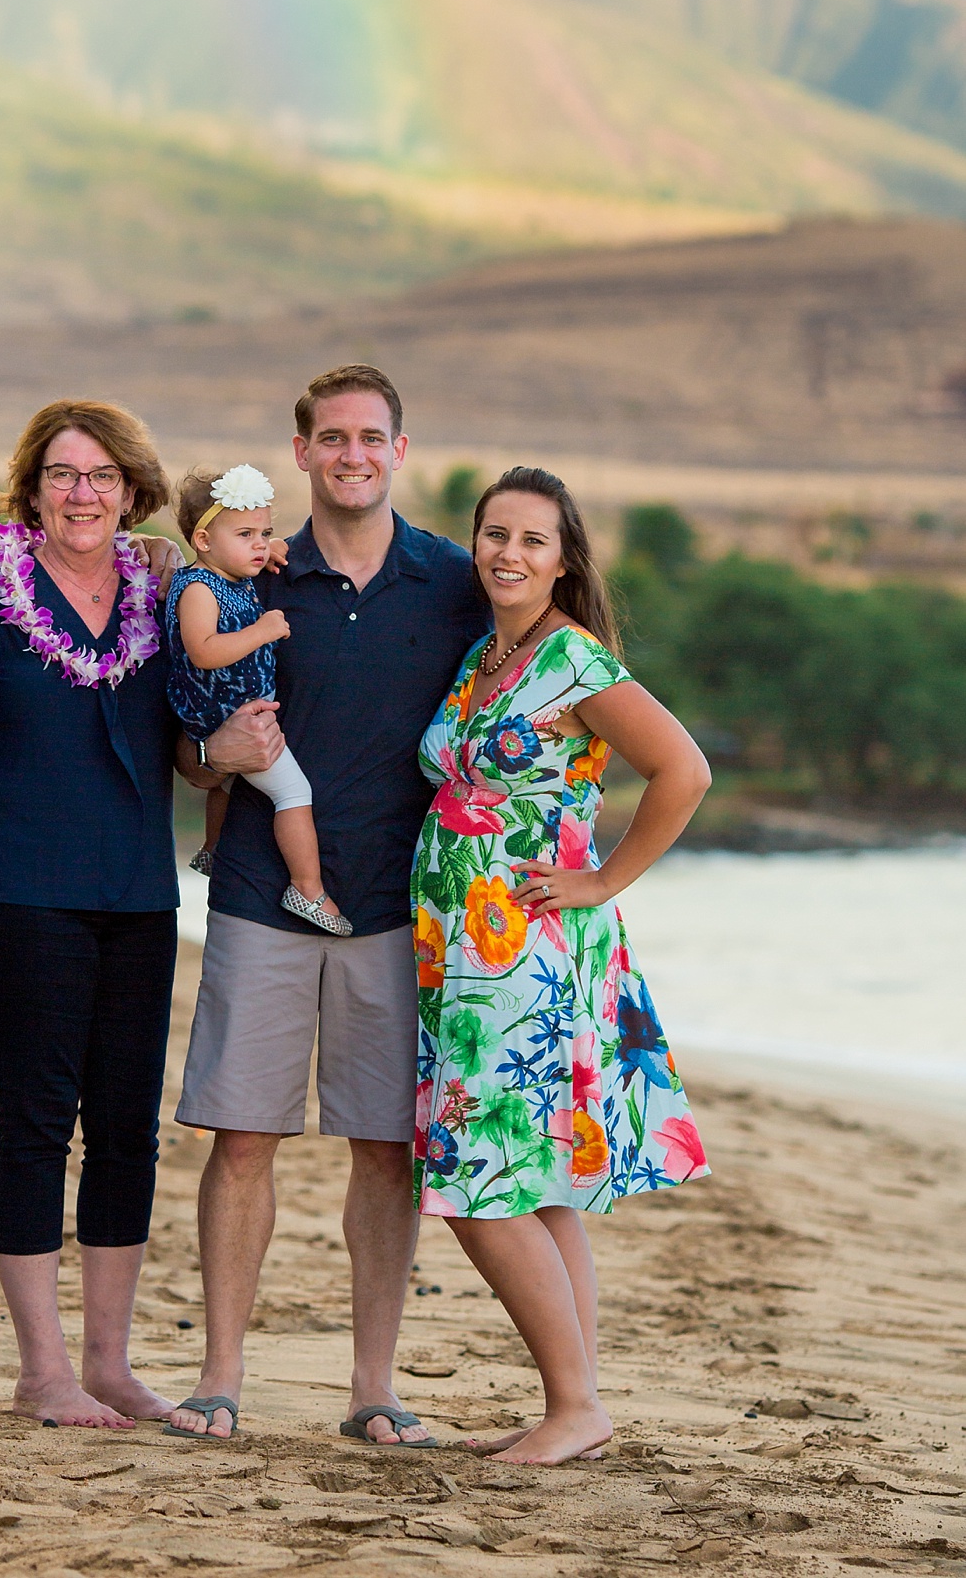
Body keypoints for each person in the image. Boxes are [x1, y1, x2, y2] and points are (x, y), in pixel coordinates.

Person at [167, 364, 491, 1446]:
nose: (352, 453)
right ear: (302, 451)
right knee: (245, 1135)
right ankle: (219, 1375)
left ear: (400, 449)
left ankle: (373, 1382)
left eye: (372, 436)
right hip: (265, 895)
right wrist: (213, 754)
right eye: (332, 437)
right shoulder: (251, 570)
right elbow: (190, 730)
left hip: (404, 902)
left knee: (385, 1149)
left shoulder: (454, 581)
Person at [413, 465, 711, 1465]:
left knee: (473, 1174)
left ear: (564, 558)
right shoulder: (486, 656)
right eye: (495, 533)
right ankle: (574, 1403)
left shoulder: (575, 660)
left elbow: (684, 768)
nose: (509, 551)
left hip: (526, 952)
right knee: (538, 1184)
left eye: (533, 539)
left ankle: (575, 1405)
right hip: (463, 951)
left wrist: (603, 879)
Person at [0, 399, 186, 1430]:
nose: (82, 492)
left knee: (129, 1131)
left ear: (132, 490)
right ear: (32, 488)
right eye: (62, 473)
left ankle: (109, 1361)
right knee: (39, 1121)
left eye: (101, 475)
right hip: (20, 887)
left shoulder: (168, 587)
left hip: (140, 891)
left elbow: (204, 718)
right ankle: (42, 1368)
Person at [167, 463, 350, 935]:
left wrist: (268, 547)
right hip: (225, 713)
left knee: (226, 785)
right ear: (204, 542)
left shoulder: (228, 572)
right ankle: (308, 887)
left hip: (232, 707)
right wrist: (262, 630)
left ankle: (212, 849)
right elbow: (204, 651)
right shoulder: (198, 589)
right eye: (245, 533)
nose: (259, 544)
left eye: (264, 531)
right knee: (293, 792)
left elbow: (259, 551)